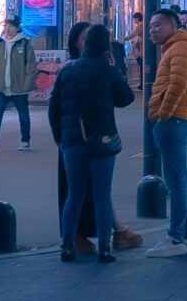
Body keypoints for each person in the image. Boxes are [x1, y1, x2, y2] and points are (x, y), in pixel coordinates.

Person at [51, 23, 131, 263]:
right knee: (101, 195)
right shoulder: (107, 70)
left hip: (72, 143)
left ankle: (67, 246)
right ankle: (104, 248)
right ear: (105, 45)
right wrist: (115, 70)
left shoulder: (67, 70)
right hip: (102, 140)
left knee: (74, 195)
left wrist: (61, 139)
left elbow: (54, 109)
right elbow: (125, 98)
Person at [144, 9, 187, 256]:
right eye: (150, 26)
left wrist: (162, 114)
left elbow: (177, 84)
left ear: (172, 26)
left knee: (176, 182)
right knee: (180, 181)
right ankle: (182, 234)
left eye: (157, 25)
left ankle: (176, 236)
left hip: (175, 121)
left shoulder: (180, 48)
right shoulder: (177, 47)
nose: (152, 31)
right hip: (179, 120)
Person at [0, 16, 37, 151]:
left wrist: (26, 86)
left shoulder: (25, 43)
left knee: (23, 115)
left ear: (17, 28)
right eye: (6, 26)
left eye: (10, 26)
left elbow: (31, 66)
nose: (7, 29)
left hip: (19, 87)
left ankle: (25, 140)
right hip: (1, 86)